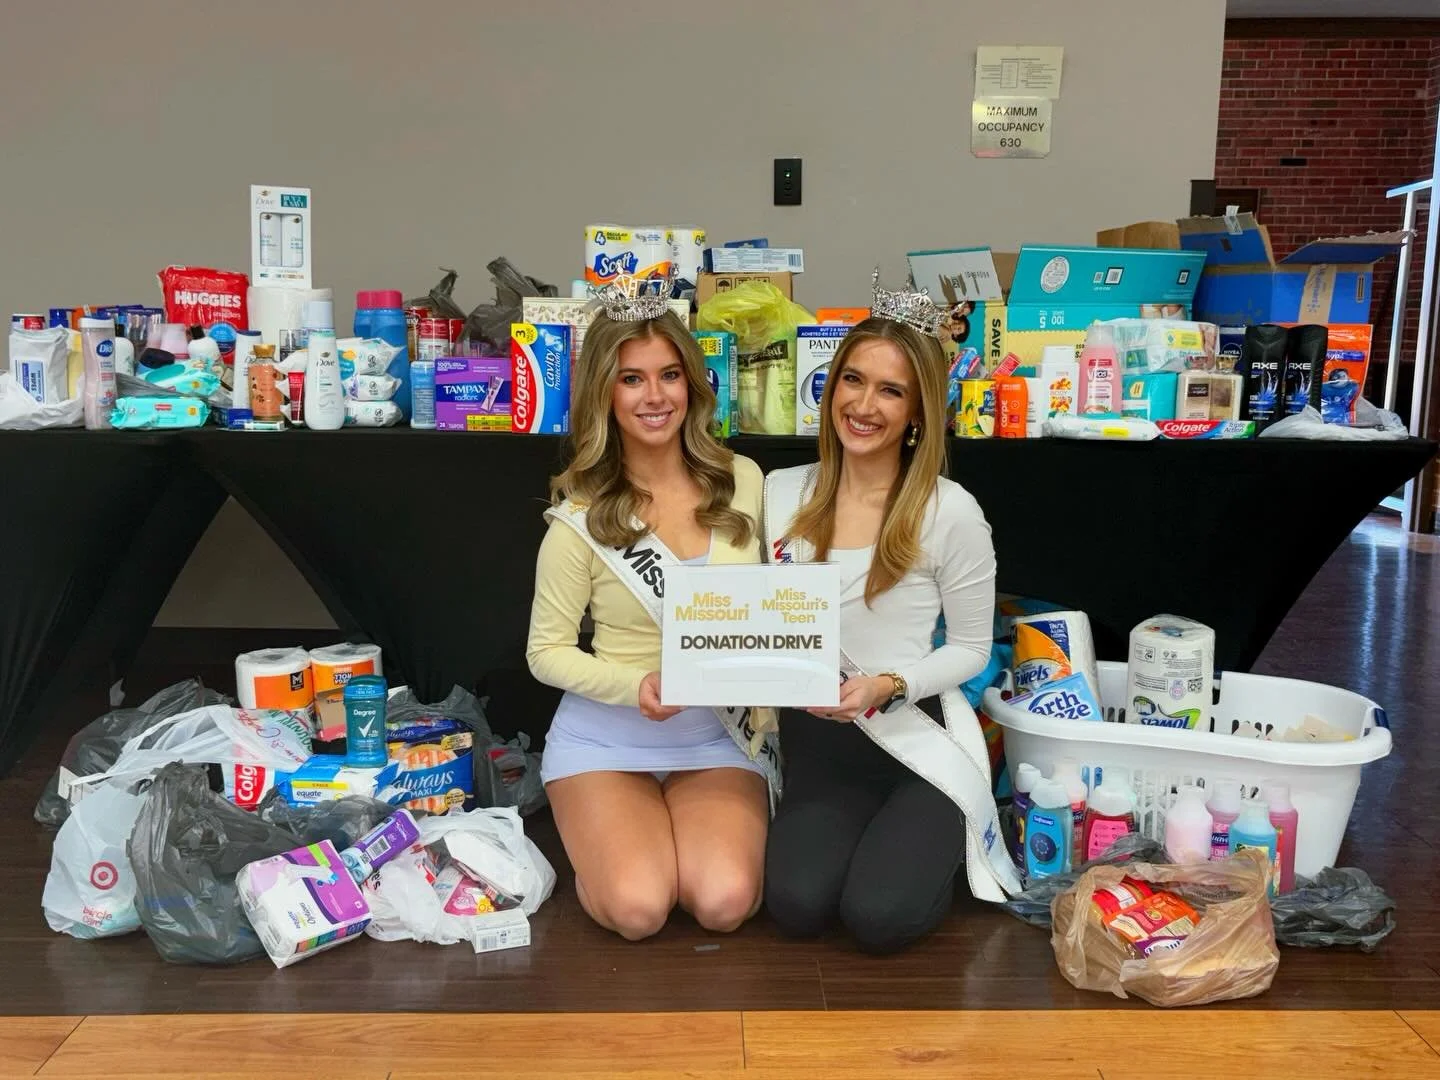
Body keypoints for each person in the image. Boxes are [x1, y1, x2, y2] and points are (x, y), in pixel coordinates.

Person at [761, 271, 1018, 954]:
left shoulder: (948, 510)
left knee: (877, 919)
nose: (864, 404)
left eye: (891, 390)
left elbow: (972, 649)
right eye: (853, 380)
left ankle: (932, 838)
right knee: (795, 906)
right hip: (820, 750)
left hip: (914, 738)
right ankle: (882, 842)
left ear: (918, 412)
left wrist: (889, 685)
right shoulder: (777, 494)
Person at [526, 277, 778, 942]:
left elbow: (775, 606)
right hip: (606, 740)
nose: (655, 395)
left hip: (717, 737)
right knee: (639, 910)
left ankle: (659, 842)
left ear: (693, 383)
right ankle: (603, 861)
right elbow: (544, 651)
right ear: (605, 393)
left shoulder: (742, 480)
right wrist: (631, 685)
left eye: (669, 374)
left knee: (724, 903)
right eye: (632, 379)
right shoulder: (580, 514)